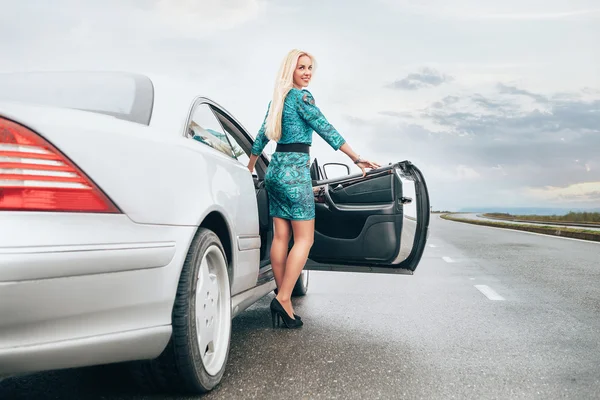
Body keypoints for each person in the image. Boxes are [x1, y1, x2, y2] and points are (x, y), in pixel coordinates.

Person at [247, 49, 380, 329]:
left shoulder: (278, 101)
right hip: (295, 173)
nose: (307, 72)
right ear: (290, 71)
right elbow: (325, 127)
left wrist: (249, 168)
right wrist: (355, 157)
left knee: (281, 237)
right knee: (304, 240)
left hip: (275, 172)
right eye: (301, 68)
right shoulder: (302, 97)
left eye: (310, 68)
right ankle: (283, 299)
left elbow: (260, 137)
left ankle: (283, 301)